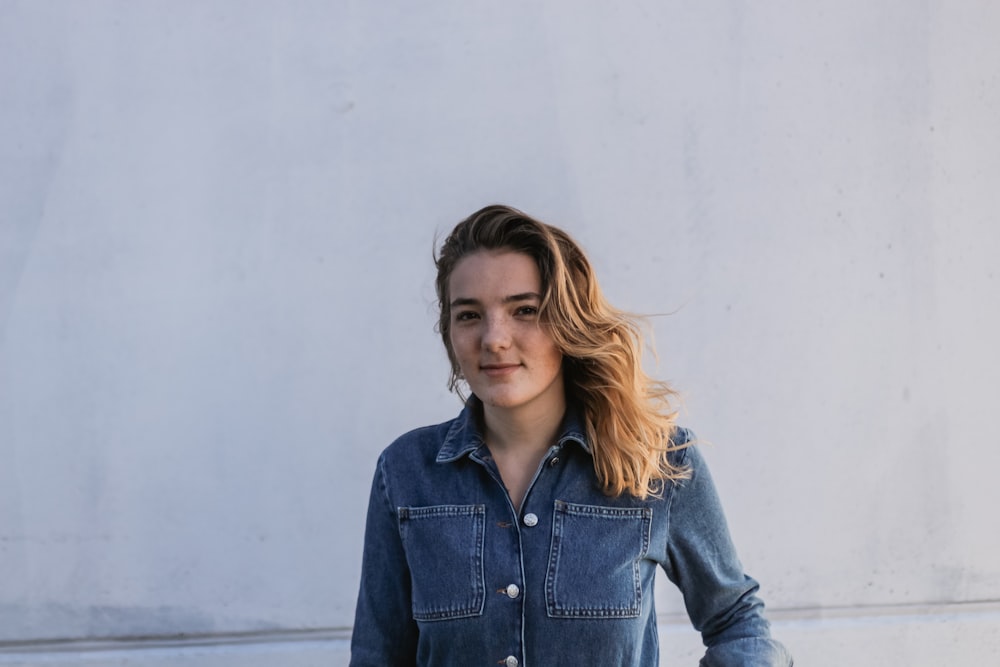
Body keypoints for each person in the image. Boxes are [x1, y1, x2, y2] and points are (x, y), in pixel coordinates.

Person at [349, 205, 793, 666]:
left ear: (567, 322)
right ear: (449, 332)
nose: (494, 338)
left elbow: (736, 621)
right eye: (469, 315)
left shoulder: (656, 460)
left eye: (525, 310)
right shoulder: (405, 472)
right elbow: (377, 655)